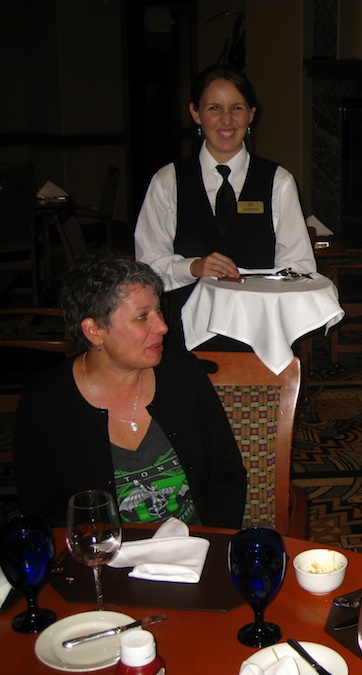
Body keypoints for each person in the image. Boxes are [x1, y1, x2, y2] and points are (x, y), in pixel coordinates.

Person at [13, 251, 247, 528]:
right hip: (105, 560)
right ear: (95, 331)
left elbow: (227, 473)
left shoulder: (182, 372)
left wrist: (210, 542)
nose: (161, 326)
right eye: (141, 317)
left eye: (158, 310)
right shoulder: (45, 401)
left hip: (196, 549)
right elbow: (42, 511)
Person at [134, 64, 315, 348]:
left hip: (260, 334)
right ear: (196, 113)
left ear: (251, 114)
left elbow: (299, 265)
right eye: (214, 108)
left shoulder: (278, 181)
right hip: (189, 336)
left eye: (237, 108)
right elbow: (146, 266)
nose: (227, 120)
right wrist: (193, 267)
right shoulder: (168, 180)